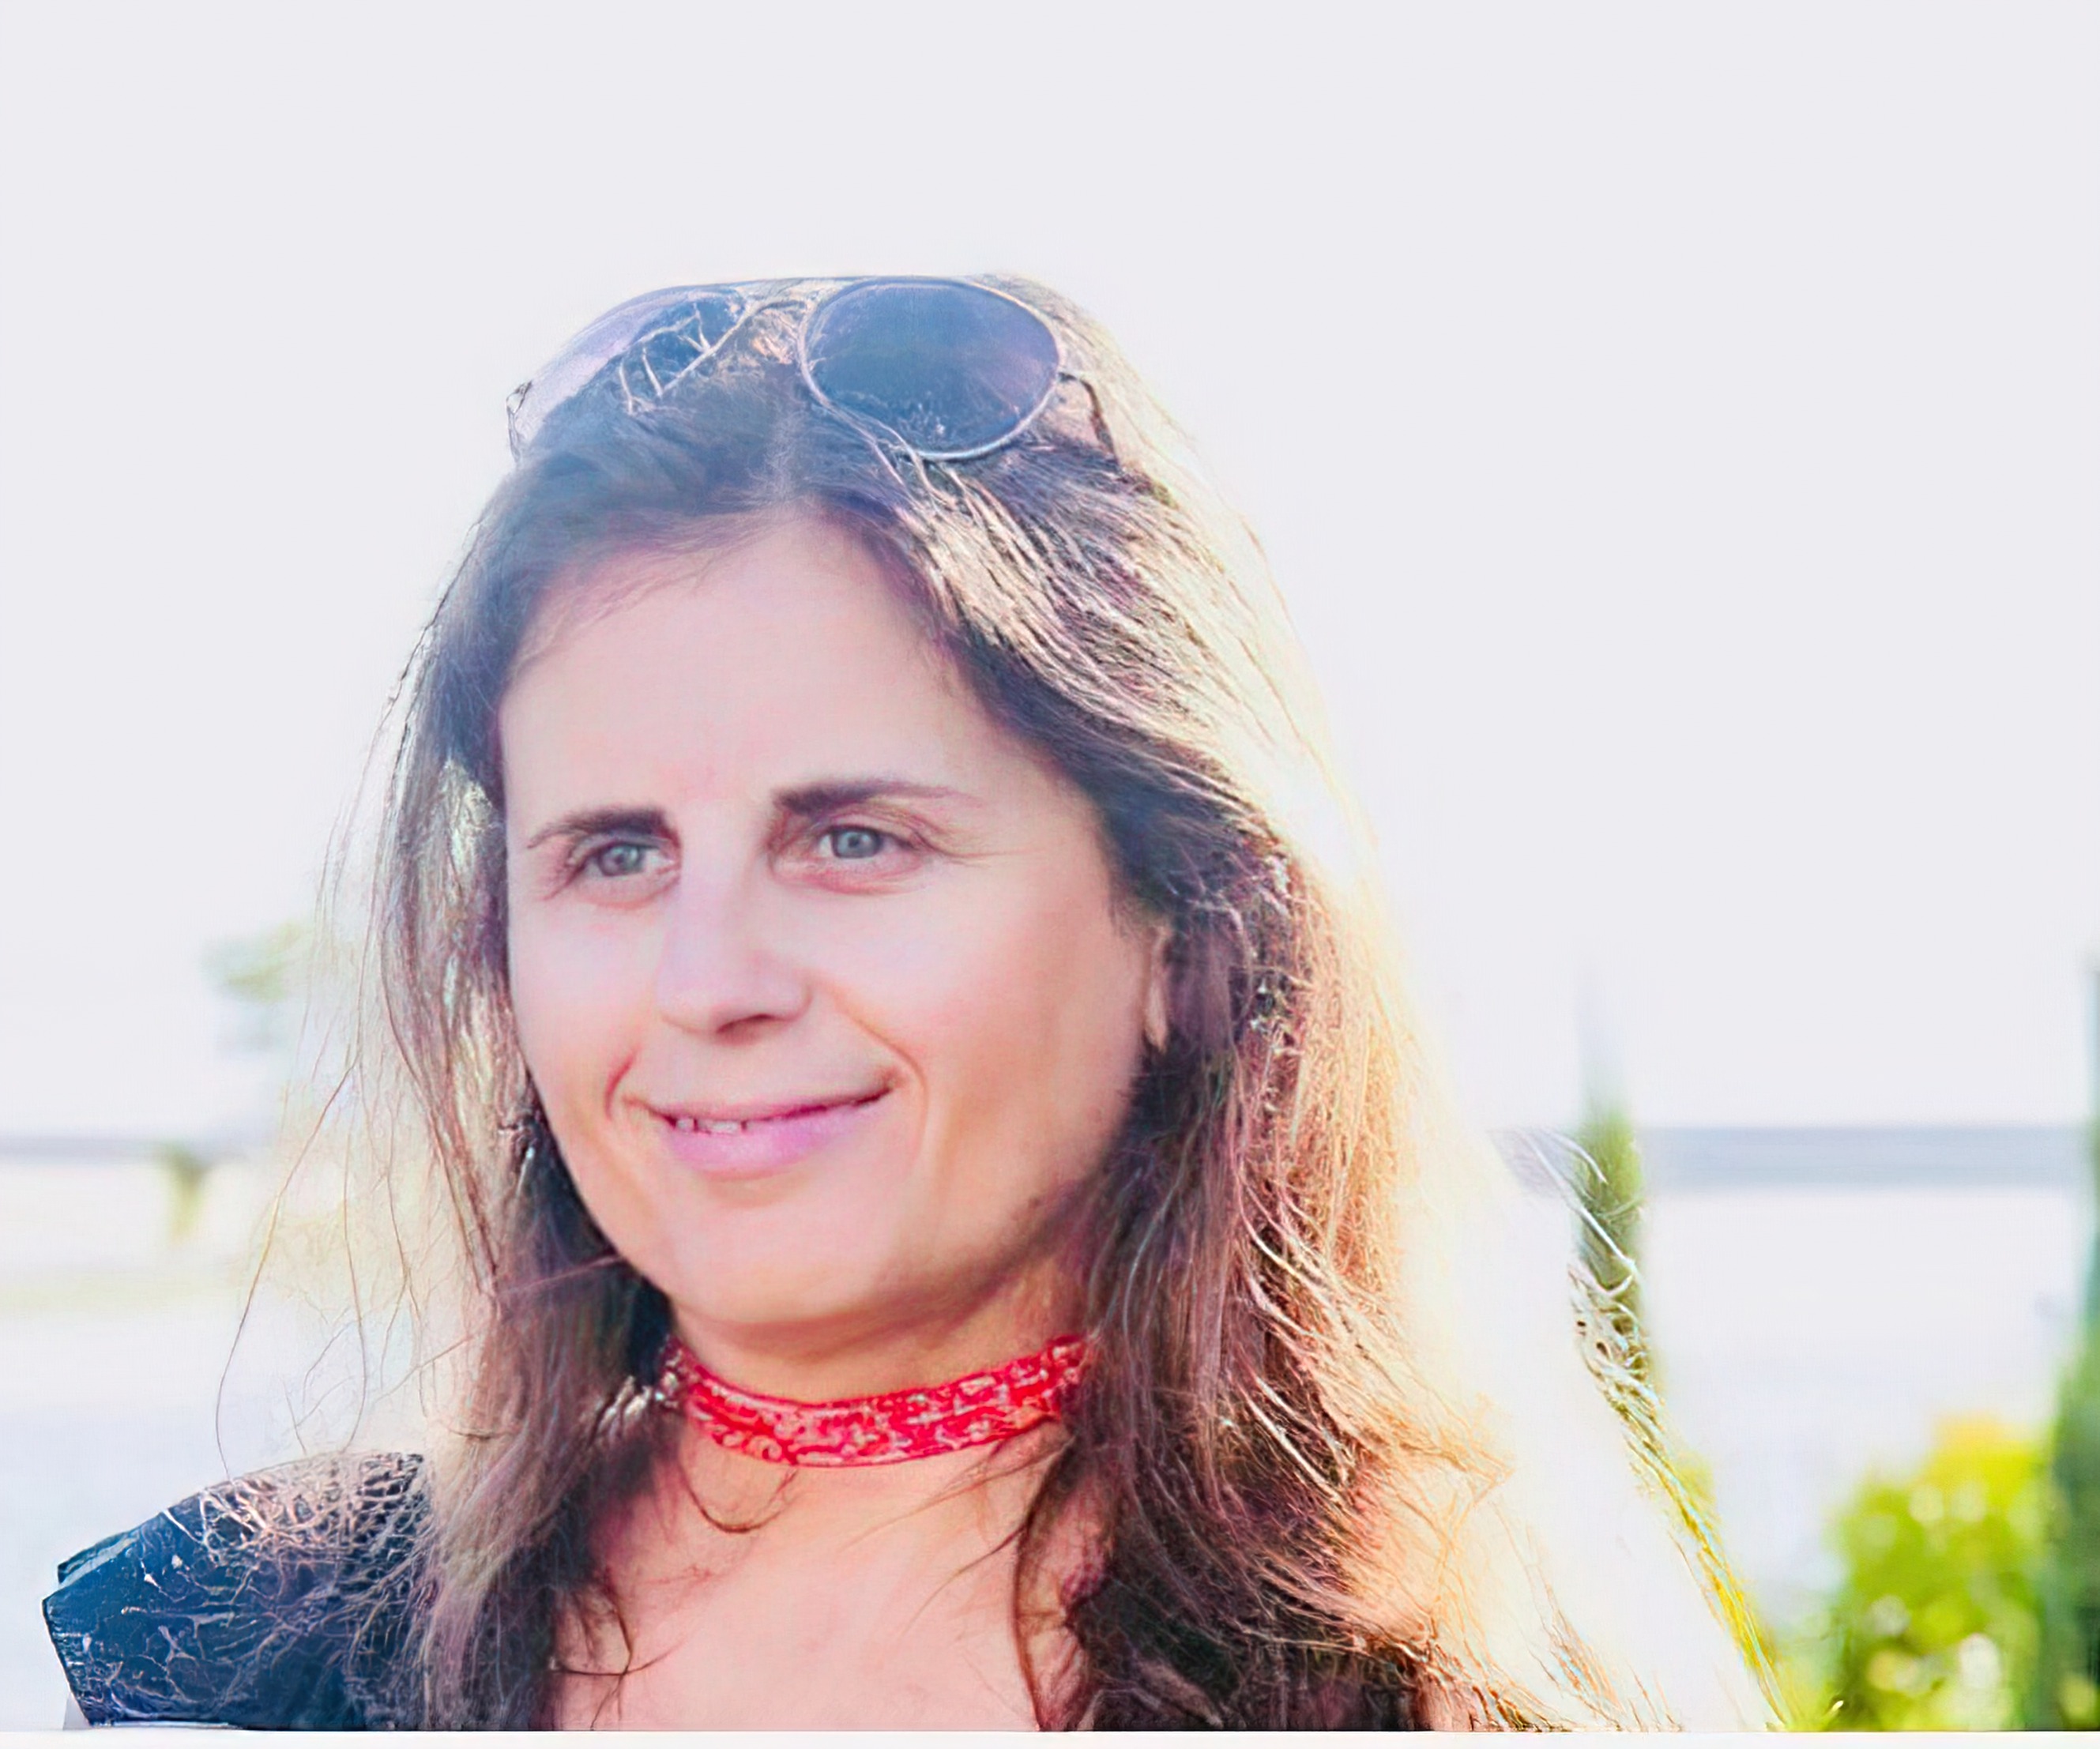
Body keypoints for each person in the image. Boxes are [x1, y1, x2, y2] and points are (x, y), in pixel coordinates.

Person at [43, 276, 1774, 1728]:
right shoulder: (238, 1664)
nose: (708, 982)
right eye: (617, 855)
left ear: (1191, 929)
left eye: (854, 840)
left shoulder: (1418, 1696)